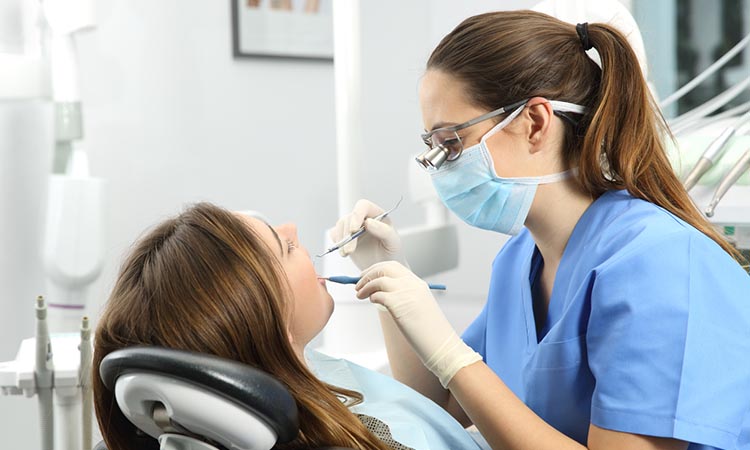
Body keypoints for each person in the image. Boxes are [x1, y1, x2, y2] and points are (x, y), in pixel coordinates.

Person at [330, 10, 750, 450]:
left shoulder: (659, 263)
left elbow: (456, 373)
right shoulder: (519, 260)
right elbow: (439, 402)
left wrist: (452, 356)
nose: (439, 167)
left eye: (451, 142)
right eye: (432, 146)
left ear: (534, 123)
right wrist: (387, 282)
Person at [92, 202, 482, 450]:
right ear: (272, 324)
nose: (294, 227)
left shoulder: (297, 378)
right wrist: (451, 358)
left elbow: (421, 410)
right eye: (286, 247)